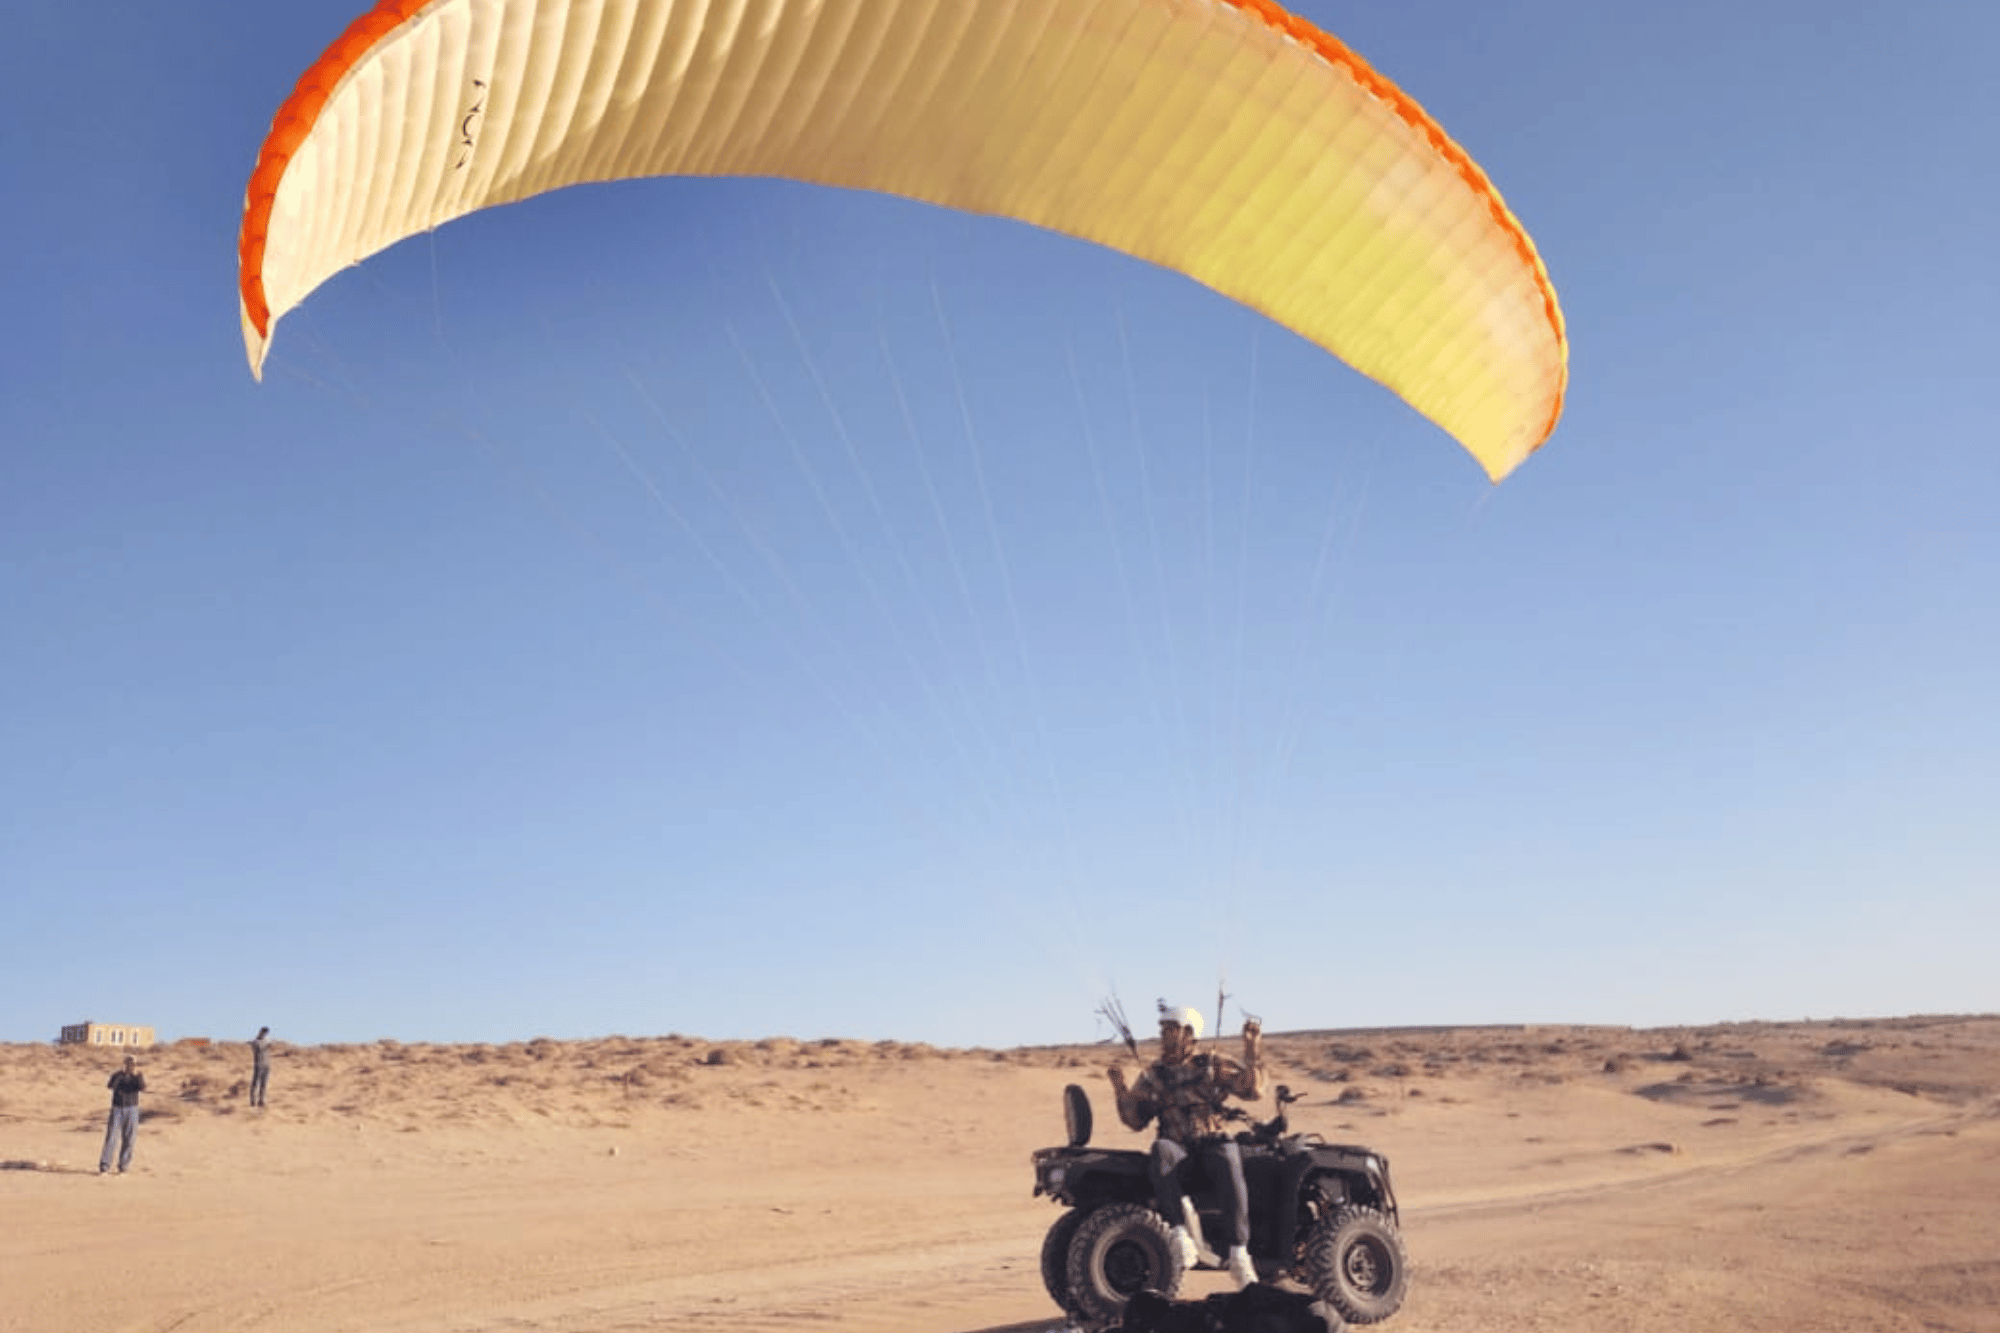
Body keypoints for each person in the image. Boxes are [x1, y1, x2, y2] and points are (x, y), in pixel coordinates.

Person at [1107, 1004, 1265, 1288]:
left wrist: (1251, 1049)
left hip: (1211, 1143)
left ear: (1189, 1034)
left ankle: (1239, 1252)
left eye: (1170, 1030)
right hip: (1178, 1152)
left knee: (1228, 1156)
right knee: (1160, 1151)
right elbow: (1135, 1121)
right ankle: (1181, 1236)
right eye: (1163, 1030)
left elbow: (1251, 1090)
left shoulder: (1211, 1064)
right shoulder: (1153, 1075)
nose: (1164, 1035)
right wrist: (1120, 1089)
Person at [99, 1054, 146, 1174]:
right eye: (128, 1063)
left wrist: (136, 1075)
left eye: (132, 1063)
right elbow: (110, 1085)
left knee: (129, 1138)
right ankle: (105, 1165)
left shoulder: (138, 1076)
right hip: (117, 1108)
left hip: (132, 1108)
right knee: (111, 1137)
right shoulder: (117, 1075)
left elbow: (142, 1087)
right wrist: (121, 1074)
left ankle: (123, 1166)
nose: (130, 1066)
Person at [249, 1026, 271, 1107]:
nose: (265, 1034)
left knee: (263, 1084)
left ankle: (261, 1100)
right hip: (258, 1064)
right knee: (255, 1083)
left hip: (266, 1064)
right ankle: (252, 1101)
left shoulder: (266, 1041)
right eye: (264, 1032)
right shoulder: (256, 1041)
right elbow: (258, 1048)